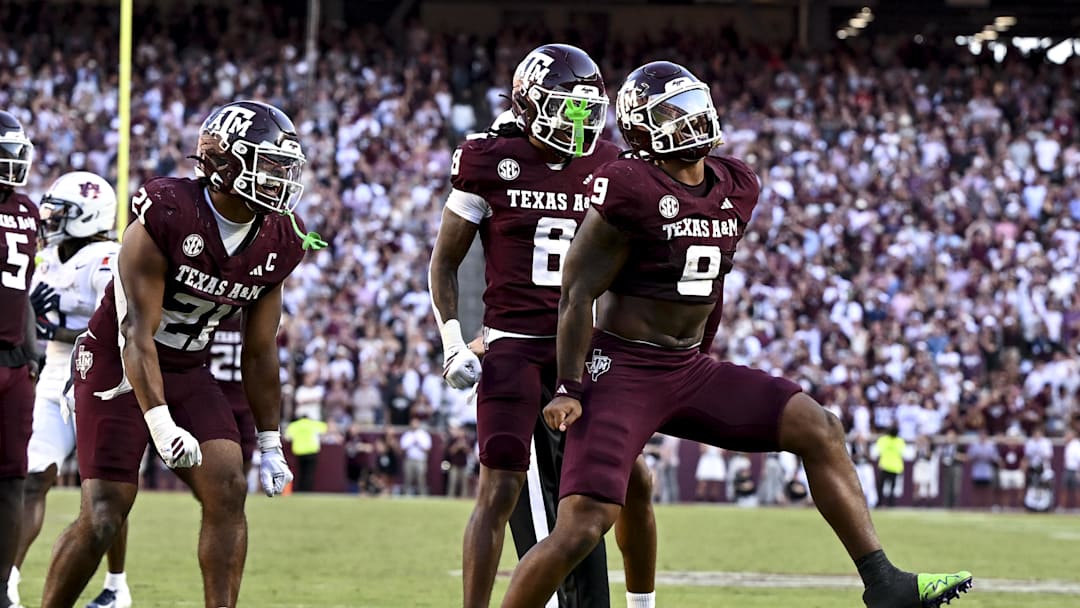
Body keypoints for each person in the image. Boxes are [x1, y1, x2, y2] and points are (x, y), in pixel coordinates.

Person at [498, 61, 972, 608]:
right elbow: (576, 293)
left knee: (819, 427)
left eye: (691, 105)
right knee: (583, 524)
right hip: (623, 368)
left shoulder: (736, 182)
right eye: (670, 113)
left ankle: (884, 583)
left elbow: (713, 283)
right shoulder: (629, 184)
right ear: (639, 128)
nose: (688, 119)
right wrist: (568, 386)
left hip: (687, 367)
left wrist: (705, 355)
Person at [41, 100, 323, 608]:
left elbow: (260, 353)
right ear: (226, 162)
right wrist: (161, 422)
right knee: (106, 512)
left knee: (228, 486)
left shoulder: (280, 237)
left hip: (188, 366)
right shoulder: (168, 213)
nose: (282, 178)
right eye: (270, 164)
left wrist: (270, 441)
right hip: (116, 361)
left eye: (286, 167)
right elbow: (134, 333)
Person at [429, 44, 657, 608]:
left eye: (585, 111)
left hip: (585, 350)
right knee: (503, 485)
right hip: (516, 345)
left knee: (629, 480)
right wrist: (454, 341)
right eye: (563, 108)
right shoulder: (488, 158)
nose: (576, 124)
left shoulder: (611, 161)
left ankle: (631, 601)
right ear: (528, 106)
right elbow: (444, 261)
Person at [10, 172, 132, 608]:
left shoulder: (108, 258)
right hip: (54, 374)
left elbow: (118, 324)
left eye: (62, 213)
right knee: (33, 475)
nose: (51, 219)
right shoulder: (48, 257)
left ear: (89, 217)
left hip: (101, 377)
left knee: (105, 490)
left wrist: (54, 329)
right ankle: (7, 578)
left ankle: (117, 586)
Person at [0, 110, 41, 608]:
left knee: (12, 480)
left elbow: (22, 290)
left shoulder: (29, 210)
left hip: (15, 365)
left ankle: (2, 590)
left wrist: (31, 354)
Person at [209, 316, 258, 477]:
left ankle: (240, 487)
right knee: (215, 450)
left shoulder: (253, 323)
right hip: (216, 398)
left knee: (247, 451)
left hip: (245, 399)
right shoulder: (213, 320)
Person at [284, 412, 328, 492]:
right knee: (309, 472)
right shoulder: (313, 424)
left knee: (300, 471)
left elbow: (287, 437)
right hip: (311, 450)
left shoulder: (294, 425)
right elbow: (326, 429)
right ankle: (307, 489)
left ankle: (300, 489)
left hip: (299, 451)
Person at [875, 426, 906, 508]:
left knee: (881, 486)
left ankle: (880, 503)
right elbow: (902, 452)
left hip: (885, 465)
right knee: (892, 487)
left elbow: (879, 451)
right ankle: (890, 504)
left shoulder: (883, 440)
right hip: (895, 467)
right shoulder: (900, 441)